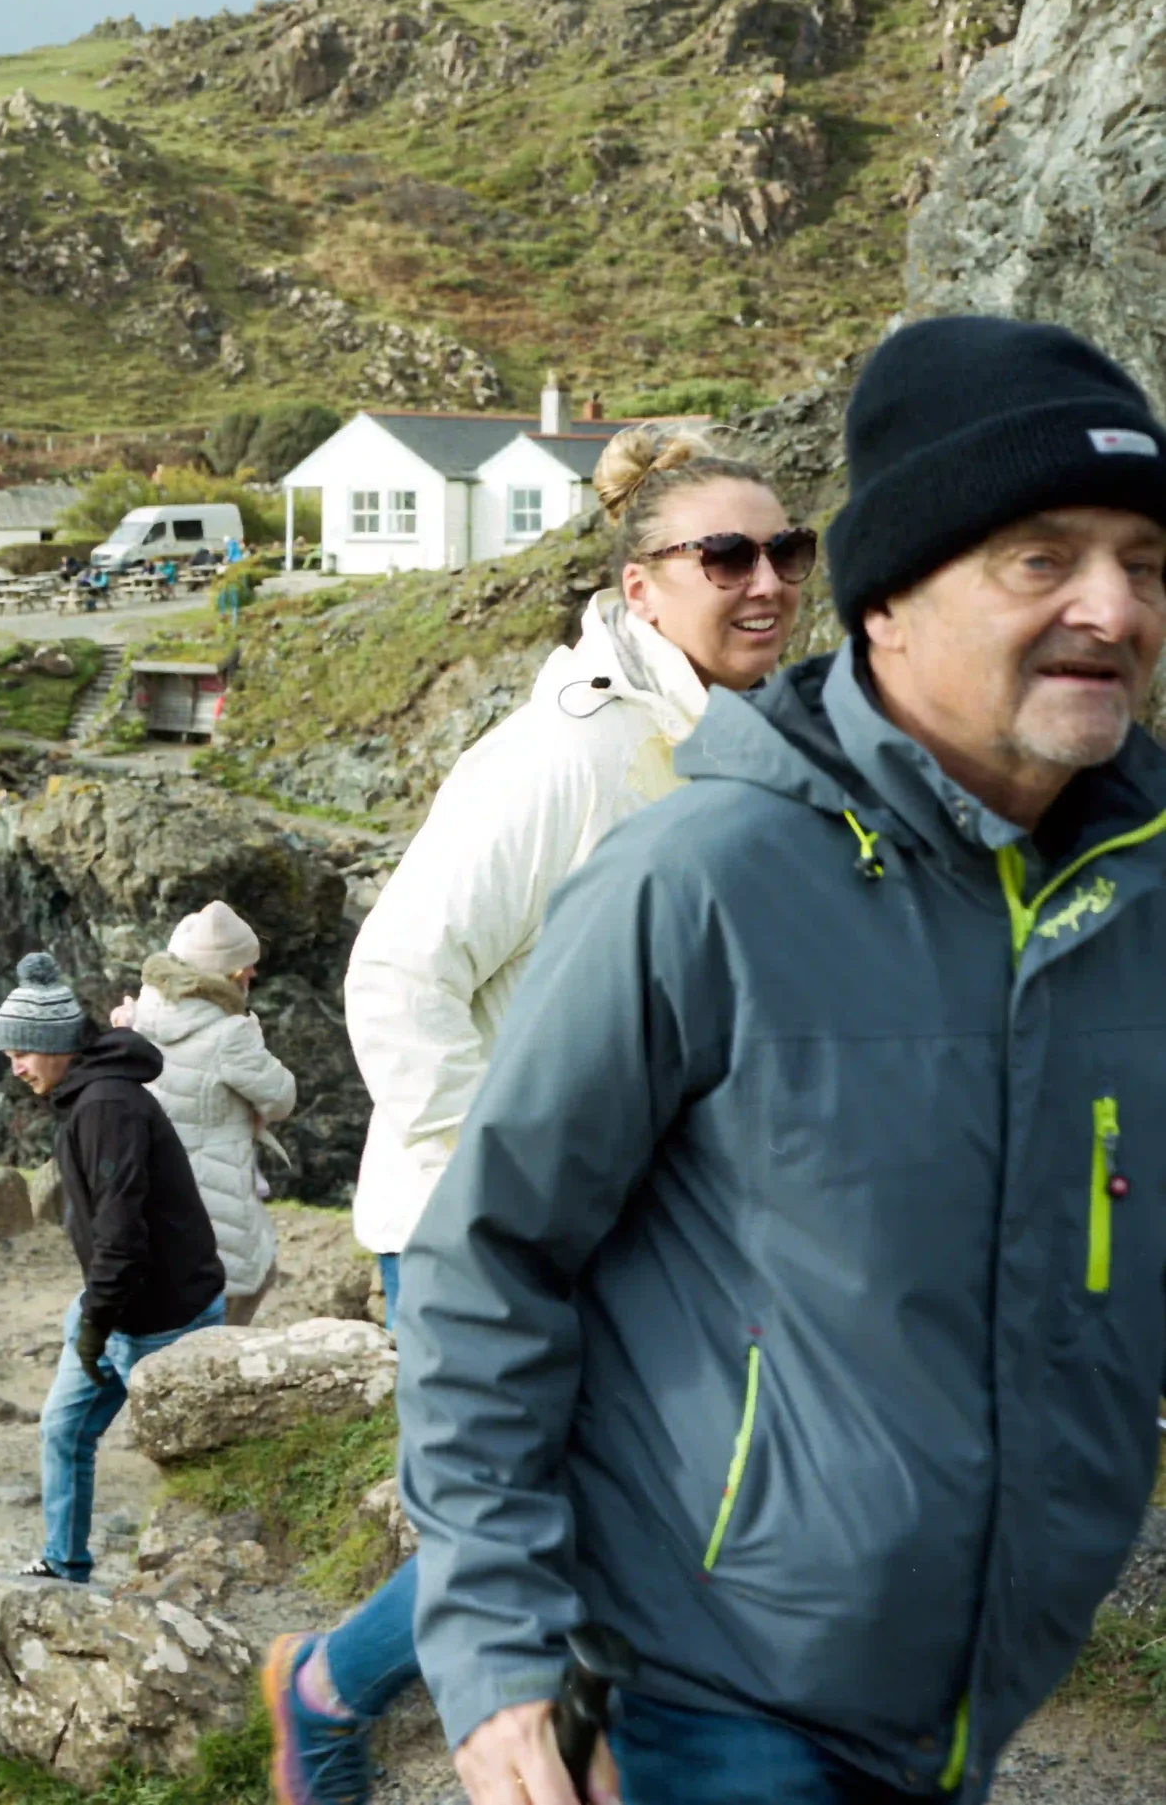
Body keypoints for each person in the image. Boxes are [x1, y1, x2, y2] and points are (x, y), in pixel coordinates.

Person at [403, 316, 1166, 1805]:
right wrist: (498, 1642)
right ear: (888, 596)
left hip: (979, 1689)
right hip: (713, 1690)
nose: (1115, 607)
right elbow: (488, 1257)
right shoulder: (697, 878)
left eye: (1144, 561)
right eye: (1043, 557)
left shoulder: (1143, 896)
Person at [267, 421, 812, 1805]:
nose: (767, 582)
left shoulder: (736, 735)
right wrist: (480, 1197)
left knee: (608, 1524)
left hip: (637, 1228)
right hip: (484, 1225)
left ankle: (356, 1689)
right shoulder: (568, 752)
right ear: (642, 585)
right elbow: (398, 969)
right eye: (726, 556)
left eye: (787, 552)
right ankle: (329, 1695)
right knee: (535, 1526)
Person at [0, 951, 226, 1583]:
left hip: (160, 1316)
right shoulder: (89, 1096)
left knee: (187, 1465)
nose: (14, 1067)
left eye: (23, 1051)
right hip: (118, 1304)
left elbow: (121, 1234)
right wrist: (97, 1316)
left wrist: (96, 1326)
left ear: (55, 1044)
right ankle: (65, 1564)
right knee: (63, 1430)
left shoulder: (106, 1108)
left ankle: (196, 1586)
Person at [113, 901, 295, 1326]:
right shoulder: (229, 1034)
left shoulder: (144, 1014)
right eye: (248, 966)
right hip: (217, 1190)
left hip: (160, 1189)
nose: (253, 974)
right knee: (241, 1287)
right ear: (231, 973)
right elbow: (282, 1097)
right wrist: (253, 1033)